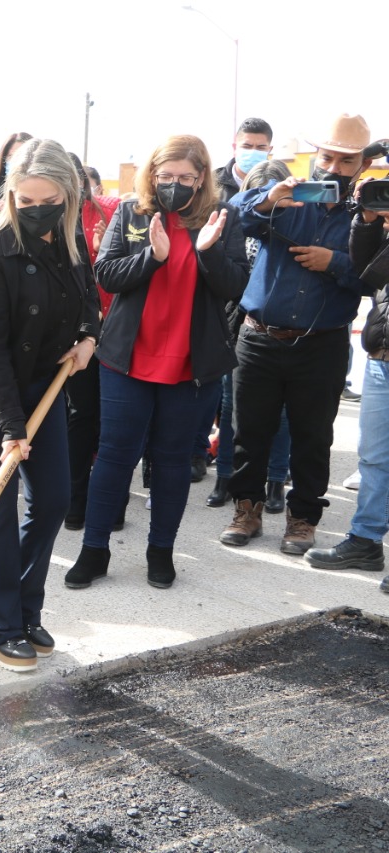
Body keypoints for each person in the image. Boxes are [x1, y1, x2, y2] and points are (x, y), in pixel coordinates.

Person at [63, 135, 248, 591]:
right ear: (152, 176)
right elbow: (106, 274)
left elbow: (235, 287)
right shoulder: (131, 213)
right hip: (127, 358)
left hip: (190, 365)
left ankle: (160, 552)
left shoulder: (223, 219)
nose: (174, 185)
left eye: (185, 177)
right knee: (113, 457)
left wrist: (205, 252)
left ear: (202, 177)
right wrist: (153, 256)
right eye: (166, 177)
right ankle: (94, 550)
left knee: (171, 463)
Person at [0, 139, 98, 671]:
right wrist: (12, 426)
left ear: (68, 196)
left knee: (55, 497)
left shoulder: (69, 238)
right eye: (25, 200)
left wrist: (88, 336)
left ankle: (26, 608)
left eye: (47, 199)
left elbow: (87, 298)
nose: (37, 210)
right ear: (10, 196)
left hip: (44, 386)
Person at [220, 114, 375, 556]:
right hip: (259, 338)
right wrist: (269, 200)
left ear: (361, 165)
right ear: (315, 157)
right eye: (327, 157)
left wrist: (335, 263)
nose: (334, 168)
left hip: (322, 343)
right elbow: (236, 219)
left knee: (313, 438)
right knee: (248, 432)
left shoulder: (366, 216)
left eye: (346, 161)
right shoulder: (286, 196)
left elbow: (371, 278)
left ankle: (303, 518)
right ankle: (245, 510)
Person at [305, 179, 388, 584]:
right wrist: (369, 221)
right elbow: (368, 274)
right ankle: (365, 541)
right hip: (382, 356)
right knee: (373, 457)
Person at [205, 159, 294, 512]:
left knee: (283, 414)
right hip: (239, 327)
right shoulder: (238, 225)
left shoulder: (297, 226)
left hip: (284, 330)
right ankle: (224, 477)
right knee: (230, 410)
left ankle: (275, 481)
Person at [63, 152, 122, 530]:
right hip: (75, 333)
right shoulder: (51, 215)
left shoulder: (111, 209)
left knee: (111, 421)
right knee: (80, 418)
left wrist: (103, 251)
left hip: (117, 329)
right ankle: (75, 498)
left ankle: (110, 504)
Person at [214, 118, 274, 204]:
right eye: (247, 146)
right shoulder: (213, 183)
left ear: (269, 150)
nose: (253, 152)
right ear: (235, 147)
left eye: (260, 147)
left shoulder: (277, 184)